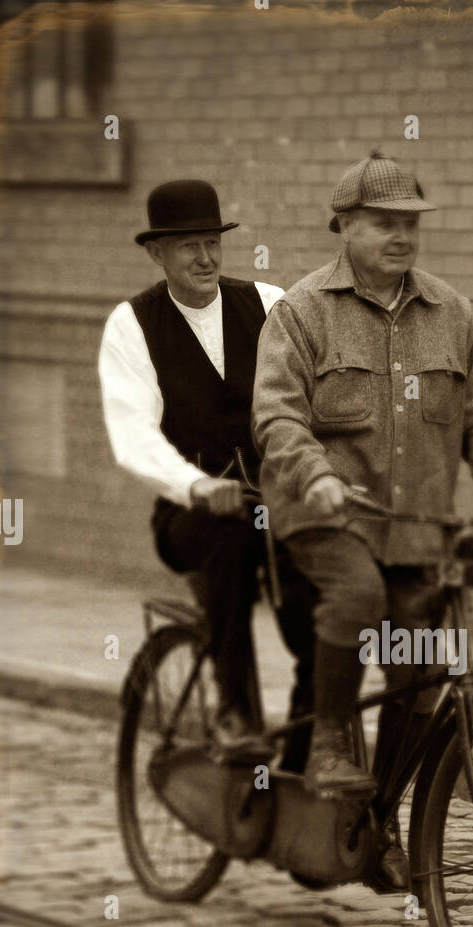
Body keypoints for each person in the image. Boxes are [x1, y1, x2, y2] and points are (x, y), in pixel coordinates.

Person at [252, 150, 473, 888]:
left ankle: (373, 827)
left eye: (410, 223)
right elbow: (276, 418)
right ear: (342, 226)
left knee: (418, 673)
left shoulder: (452, 315)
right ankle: (328, 745)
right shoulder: (301, 312)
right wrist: (313, 477)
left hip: (414, 529)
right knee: (358, 598)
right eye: (383, 223)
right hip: (325, 519)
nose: (400, 235)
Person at [98, 179, 315, 761]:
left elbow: (312, 394)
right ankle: (234, 710)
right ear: (157, 253)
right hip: (188, 517)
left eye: (212, 241)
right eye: (188, 245)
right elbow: (133, 432)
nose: (205, 257)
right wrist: (195, 486)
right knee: (230, 536)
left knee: (321, 596)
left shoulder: (270, 305)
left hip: (277, 506)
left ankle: (307, 747)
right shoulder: (133, 324)